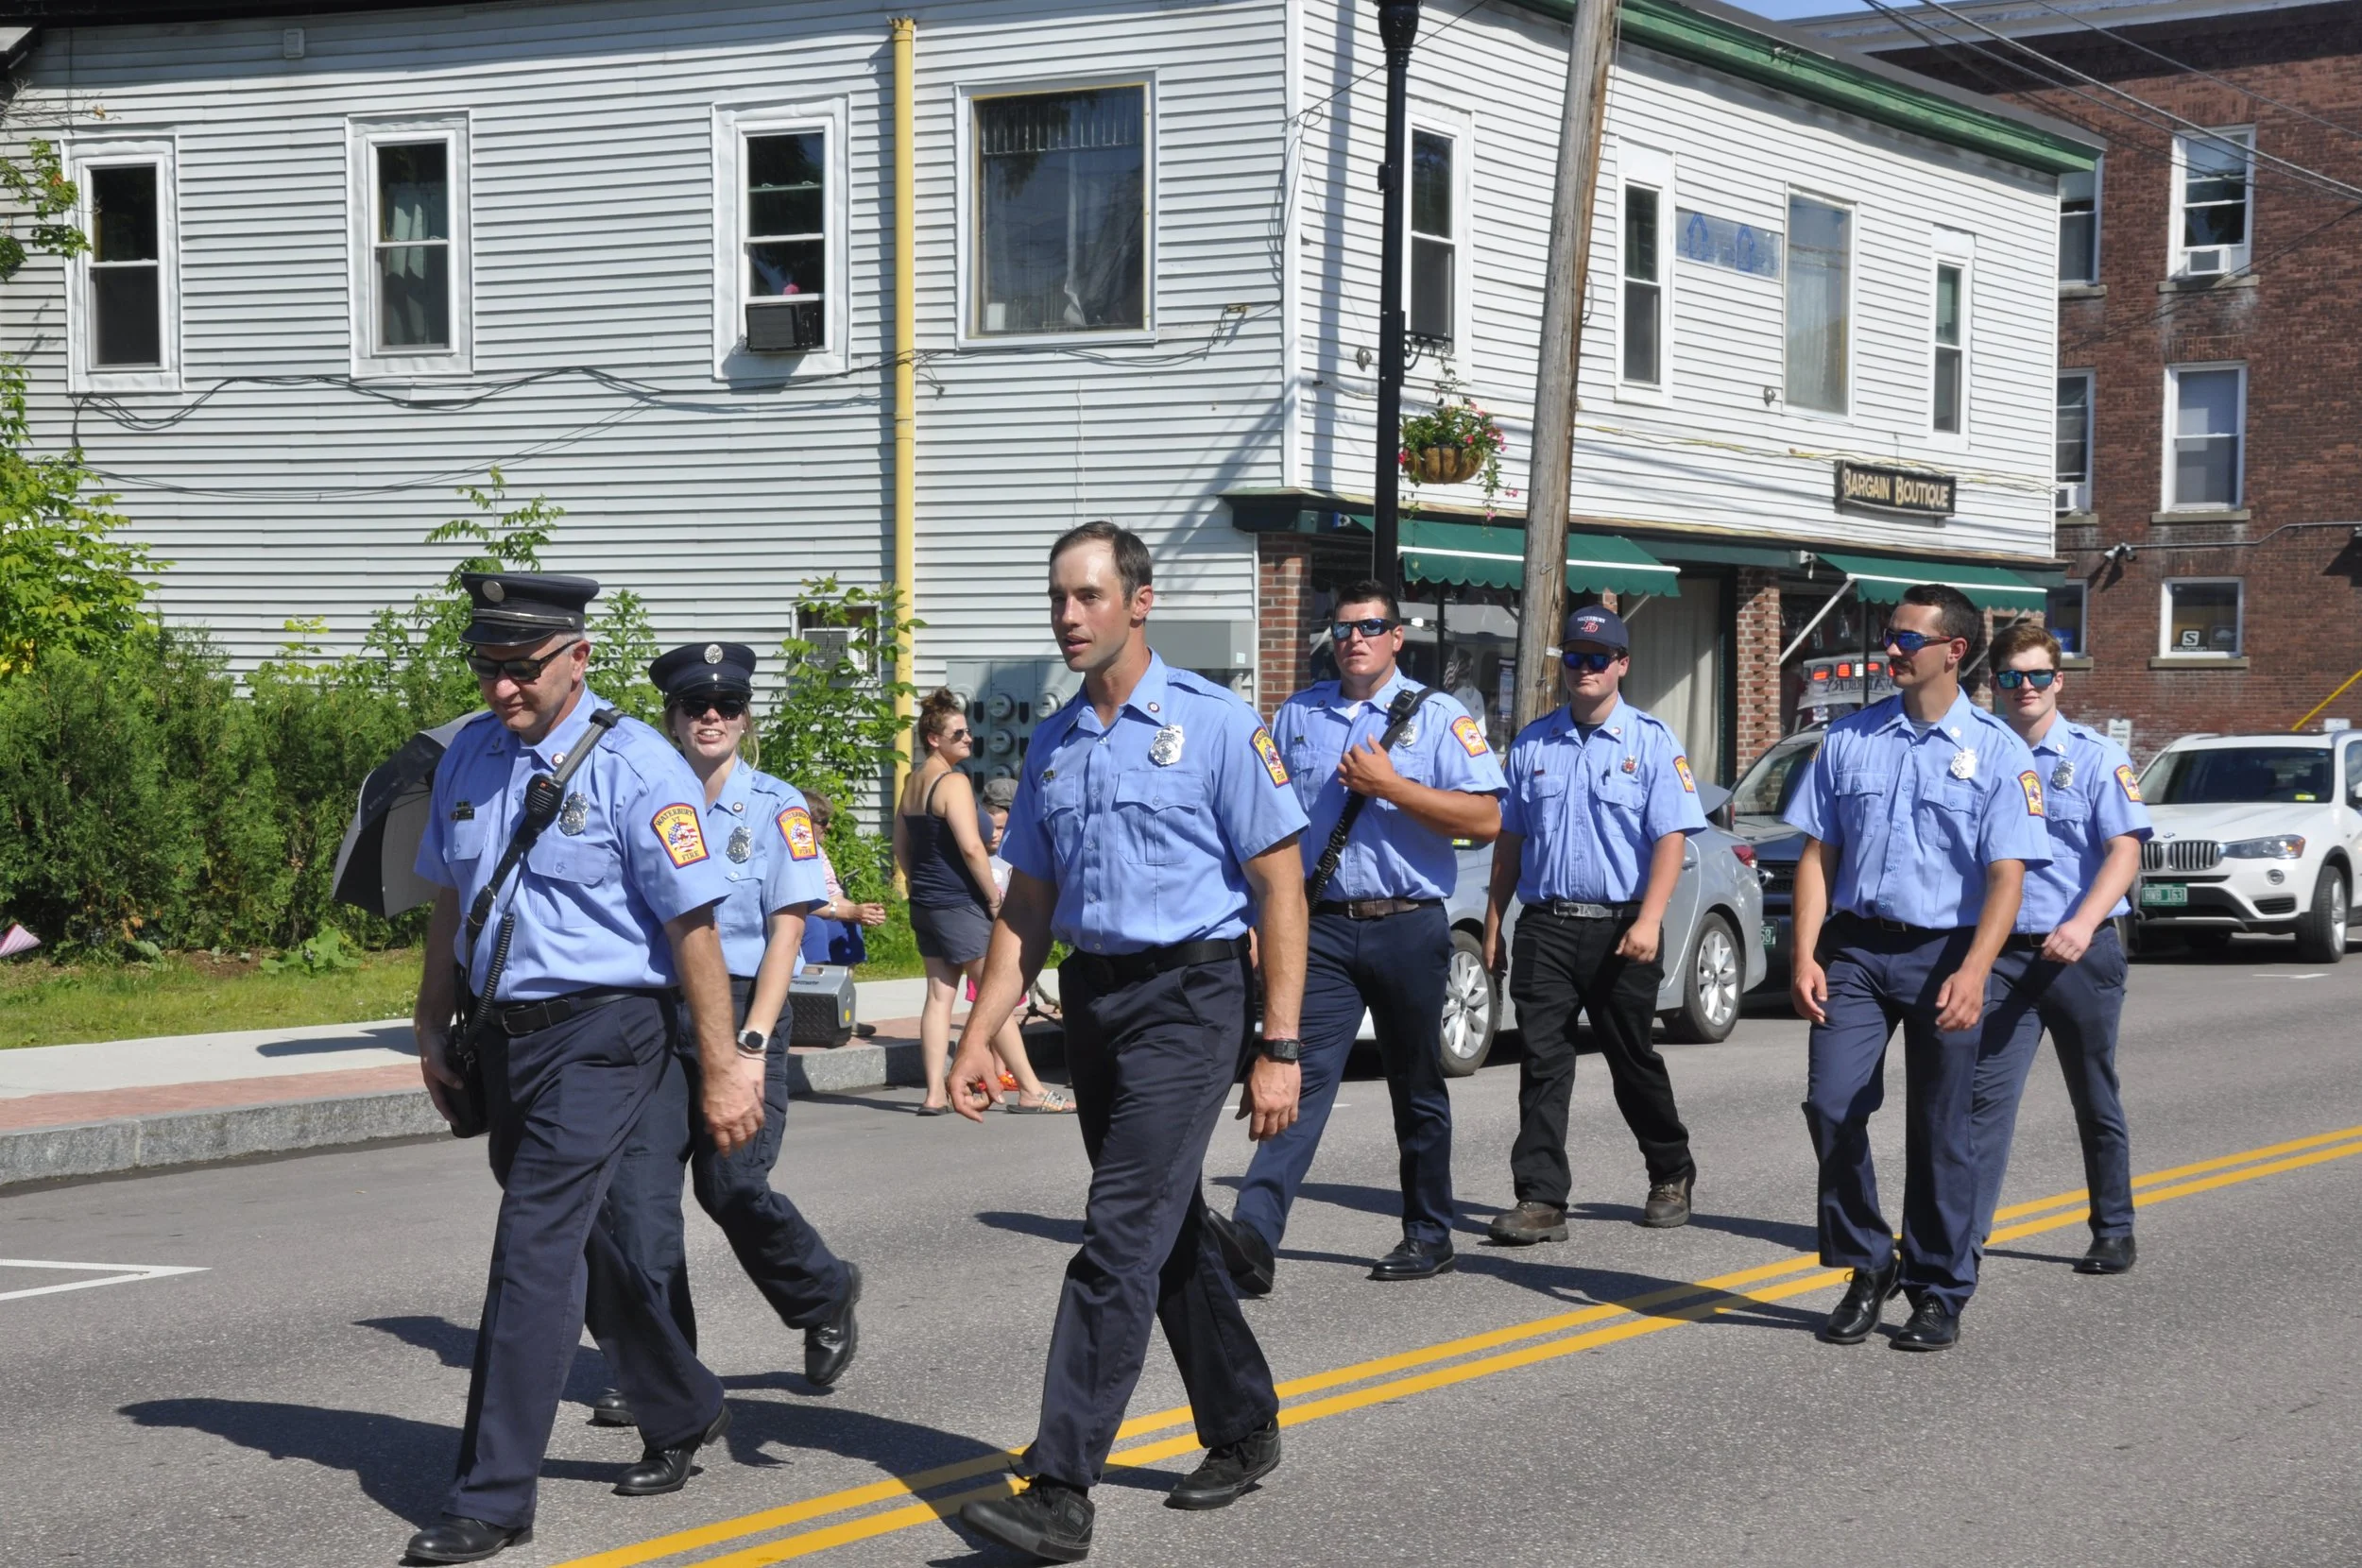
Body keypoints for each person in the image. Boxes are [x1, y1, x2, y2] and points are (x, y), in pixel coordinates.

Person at [947, 521, 1309, 1564]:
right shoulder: (1056, 742)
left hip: (1191, 998)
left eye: (1089, 596)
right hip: (1095, 1002)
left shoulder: (1213, 725)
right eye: (1058, 597)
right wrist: (980, 1035)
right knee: (1163, 1229)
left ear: (1138, 602)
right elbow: (1026, 909)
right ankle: (1242, 1423)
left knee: (1116, 1238)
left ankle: (1059, 1486)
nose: (1068, 615)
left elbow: (1279, 888)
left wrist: (1276, 1042)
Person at [403, 574, 744, 1565]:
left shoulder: (637, 766)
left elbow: (693, 929)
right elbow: (448, 900)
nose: (502, 688)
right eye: (487, 667)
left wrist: (723, 1067)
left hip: (608, 1029)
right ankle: (682, 1400)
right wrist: (430, 1019)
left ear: (577, 658)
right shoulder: (468, 749)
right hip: (505, 1033)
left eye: (520, 669)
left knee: (531, 1250)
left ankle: (492, 1496)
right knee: (576, 1233)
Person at [583, 642, 864, 1436]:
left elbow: (787, 934)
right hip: (652, 1011)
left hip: (745, 1008)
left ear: (745, 718)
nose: (712, 718)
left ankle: (825, 1292)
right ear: (671, 719)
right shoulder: (639, 797)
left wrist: (749, 1041)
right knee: (636, 1205)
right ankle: (660, 1368)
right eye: (695, 708)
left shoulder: (779, 806)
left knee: (732, 1186)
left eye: (728, 707)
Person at [1203, 577, 1504, 1293]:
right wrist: (1252, 918)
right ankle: (1254, 1235)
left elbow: (1487, 819)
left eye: (1369, 628)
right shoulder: (1296, 717)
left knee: (1417, 1086)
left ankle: (1429, 1233)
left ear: (1397, 637)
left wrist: (1392, 786)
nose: (1355, 641)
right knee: (1290, 1075)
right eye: (1342, 630)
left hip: (1408, 923)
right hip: (1321, 928)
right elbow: (1262, 827)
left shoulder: (1440, 718)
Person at [1783, 584, 2052, 1353]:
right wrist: (1805, 952)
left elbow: (2008, 877)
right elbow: (1817, 854)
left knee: (1941, 1128)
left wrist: (1975, 972)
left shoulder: (2000, 752)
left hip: (1947, 953)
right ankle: (1868, 1264)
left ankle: (1938, 1288)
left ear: (1953, 652)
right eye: (1890, 636)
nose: (1890, 649)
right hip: (1859, 950)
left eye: (1906, 639)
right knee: (1830, 1106)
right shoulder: (1849, 740)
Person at [1481, 605, 1707, 1246]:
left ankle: (1670, 1171)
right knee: (1542, 1059)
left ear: (1621, 665)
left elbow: (1670, 840)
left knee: (1630, 1058)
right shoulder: (1532, 744)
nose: (1584, 669)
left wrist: (1652, 920)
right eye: (1574, 658)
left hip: (1622, 926)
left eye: (1597, 659)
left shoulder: (1652, 742)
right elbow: (1510, 844)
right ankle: (1541, 1197)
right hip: (1548, 924)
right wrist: (1496, 922)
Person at [1969, 621, 2151, 1274]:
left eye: (2037, 675)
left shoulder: (2096, 756)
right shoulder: (1978, 754)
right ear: (1995, 683)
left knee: (2093, 1094)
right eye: (2012, 676)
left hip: (2079, 950)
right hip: (2003, 957)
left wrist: (2081, 922)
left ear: (2058, 680)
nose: (2025, 687)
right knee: (1982, 1102)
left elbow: (2124, 849)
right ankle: (1964, 1239)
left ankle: (2113, 1228)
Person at [897, 690, 1070, 1114]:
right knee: (999, 997)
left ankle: (934, 1094)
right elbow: (974, 848)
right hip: (959, 903)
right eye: (959, 733)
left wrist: (920, 885)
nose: (969, 738)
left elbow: (900, 846)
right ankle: (1031, 1089)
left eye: (969, 731)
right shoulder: (952, 783)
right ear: (934, 739)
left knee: (939, 997)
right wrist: (994, 900)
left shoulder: (912, 782)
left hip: (926, 902)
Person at [797, 790, 889, 971]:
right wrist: (848, 912)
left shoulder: (818, 852)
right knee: (816, 927)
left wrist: (863, 912)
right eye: (822, 822)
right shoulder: (791, 852)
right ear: (804, 823)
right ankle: (810, 991)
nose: (829, 826)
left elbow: (834, 895)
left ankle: (841, 991)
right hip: (795, 916)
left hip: (818, 911)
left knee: (850, 924)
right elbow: (801, 902)